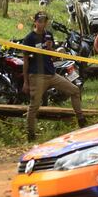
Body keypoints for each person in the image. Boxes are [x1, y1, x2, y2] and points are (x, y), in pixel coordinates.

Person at [22, 11, 87, 141]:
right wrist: (26, 81)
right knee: (34, 105)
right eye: (39, 21)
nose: (42, 23)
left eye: (44, 21)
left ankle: (81, 120)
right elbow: (26, 61)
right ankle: (30, 135)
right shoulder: (29, 38)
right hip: (37, 76)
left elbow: (53, 56)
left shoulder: (48, 35)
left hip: (51, 73)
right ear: (35, 22)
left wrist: (51, 49)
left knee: (74, 90)